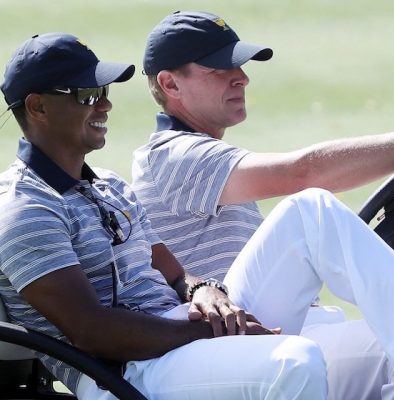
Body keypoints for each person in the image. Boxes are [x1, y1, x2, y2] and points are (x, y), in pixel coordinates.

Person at [0, 32, 329, 400]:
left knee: (311, 213)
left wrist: (203, 289)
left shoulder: (109, 184)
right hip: (123, 373)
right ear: (37, 107)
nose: (105, 106)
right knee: (297, 361)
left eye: (105, 93)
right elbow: (91, 331)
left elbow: (172, 272)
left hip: (174, 338)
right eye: (88, 96)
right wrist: (210, 332)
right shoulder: (25, 209)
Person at [131, 10, 394, 399]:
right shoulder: (171, 156)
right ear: (170, 83)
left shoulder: (207, 154)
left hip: (265, 333)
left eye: (239, 65)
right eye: (219, 69)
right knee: (311, 214)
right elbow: (302, 173)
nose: (241, 77)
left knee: (380, 345)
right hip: (212, 347)